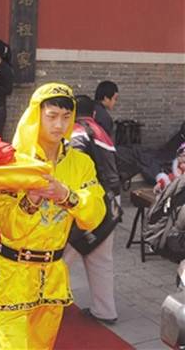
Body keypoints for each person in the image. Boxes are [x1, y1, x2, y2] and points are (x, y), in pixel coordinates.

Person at [0, 83, 105, 350]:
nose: (59, 124)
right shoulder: (11, 163)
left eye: (65, 117)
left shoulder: (81, 164)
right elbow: (5, 223)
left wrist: (67, 195)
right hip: (13, 272)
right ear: (35, 116)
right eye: (51, 116)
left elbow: (95, 216)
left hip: (53, 274)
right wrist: (32, 199)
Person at [65, 94, 121, 325]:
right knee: (101, 260)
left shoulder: (77, 132)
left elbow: (74, 168)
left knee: (60, 256)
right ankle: (105, 311)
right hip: (112, 202)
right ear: (94, 113)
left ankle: (42, 302)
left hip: (92, 201)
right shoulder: (101, 131)